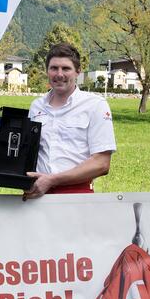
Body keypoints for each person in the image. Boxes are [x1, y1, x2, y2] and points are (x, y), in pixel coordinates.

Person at [23, 42, 116, 199]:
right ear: (47, 71)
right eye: (54, 68)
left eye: (66, 68)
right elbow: (27, 151)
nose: (59, 74)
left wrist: (52, 180)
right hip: (36, 192)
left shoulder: (95, 105)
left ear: (77, 72)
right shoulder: (36, 106)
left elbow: (101, 163)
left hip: (77, 195)